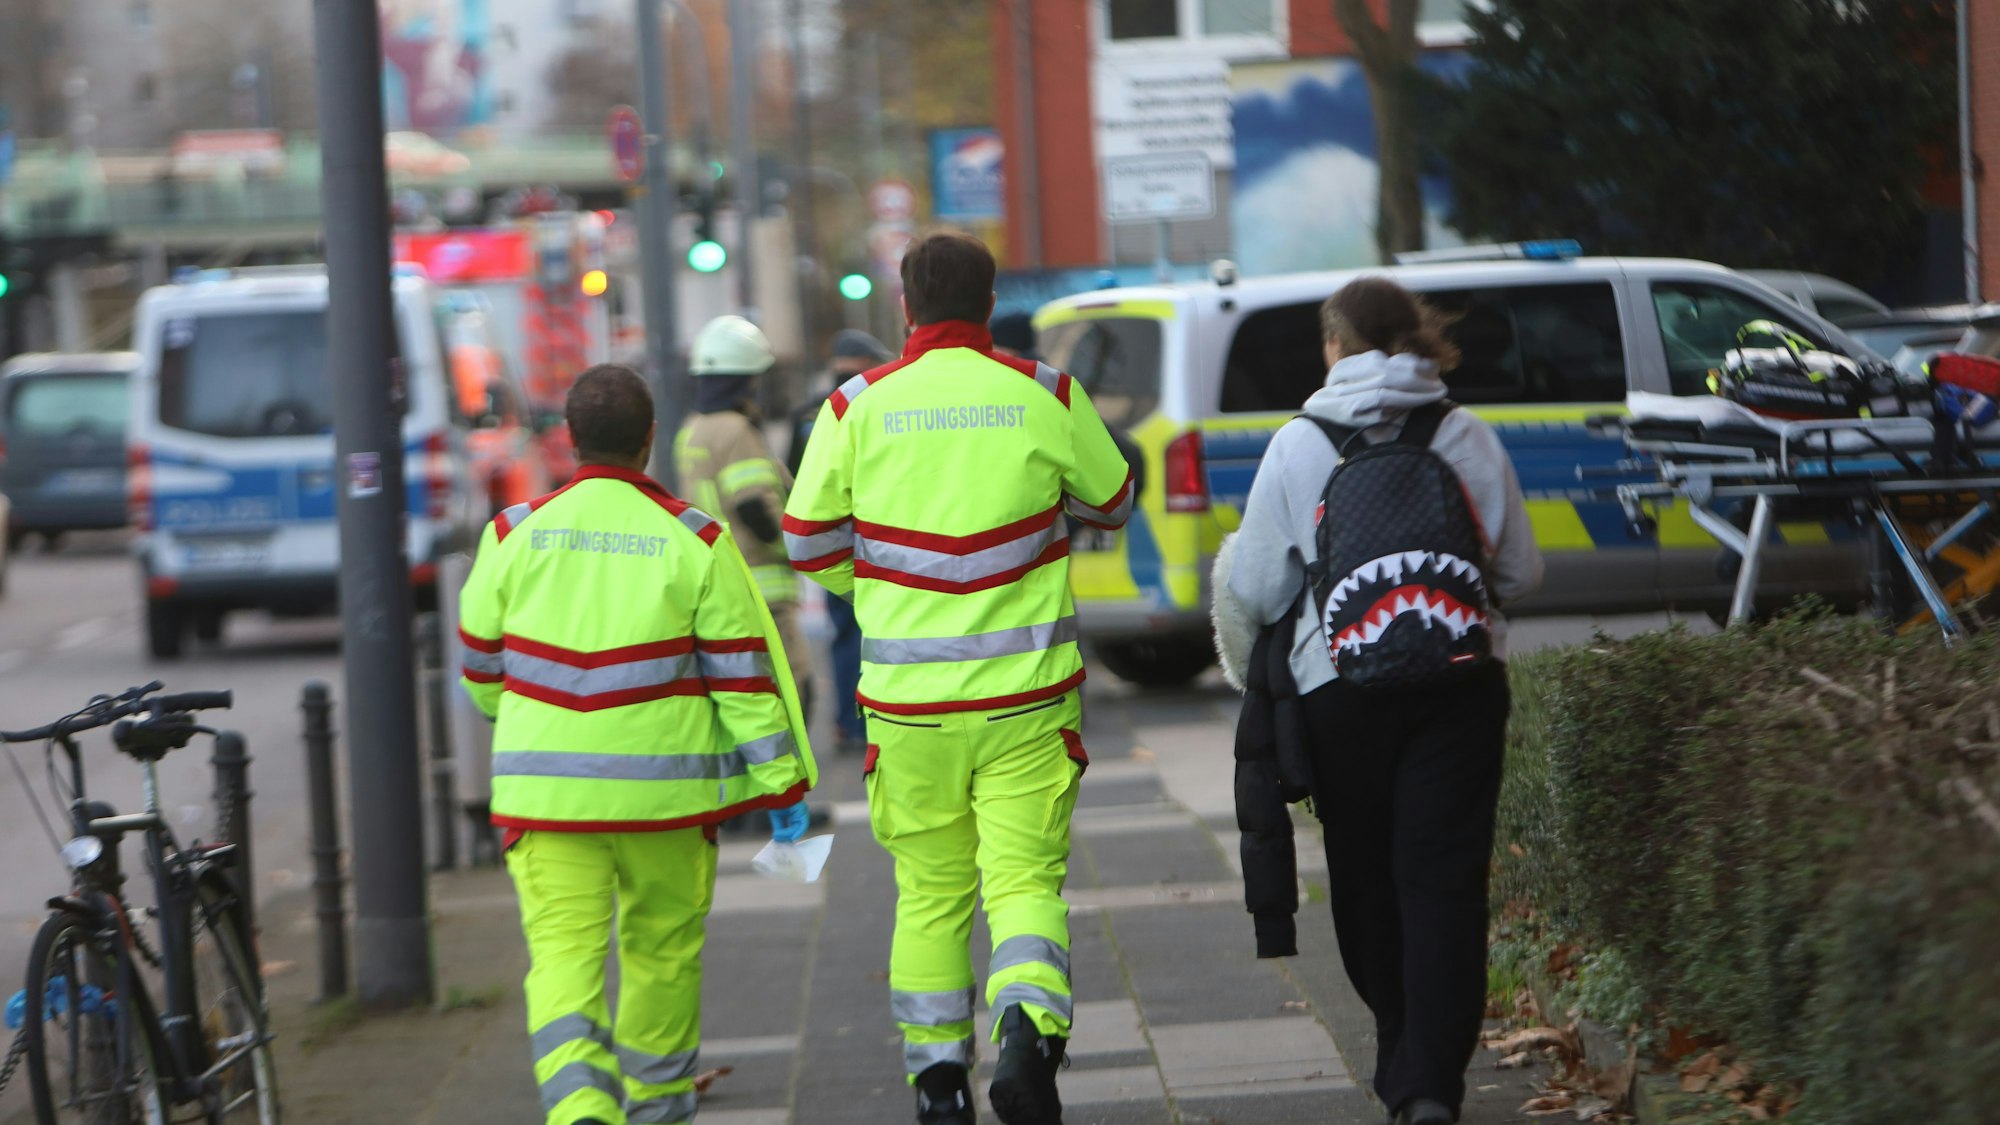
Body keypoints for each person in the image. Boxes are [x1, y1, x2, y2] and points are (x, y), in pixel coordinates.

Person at [784, 232, 1135, 1125]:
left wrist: (881, 587)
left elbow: (808, 540)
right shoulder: (1045, 393)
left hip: (907, 709)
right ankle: (1028, 1032)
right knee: (1023, 882)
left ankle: (939, 1083)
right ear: (987, 306)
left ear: (903, 307)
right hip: (1026, 700)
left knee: (932, 894)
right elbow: (1113, 500)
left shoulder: (854, 406)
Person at [1218, 278, 1541, 1125]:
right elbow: (1519, 574)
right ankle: (1429, 1079)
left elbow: (1255, 585)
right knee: (1443, 879)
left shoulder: (1298, 442)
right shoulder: (1463, 433)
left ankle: (1399, 1042)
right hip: (1460, 686)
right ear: (1413, 339)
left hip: (1338, 690)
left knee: (1365, 876)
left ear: (1336, 345)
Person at [459, 363, 818, 1125]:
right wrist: (783, 789)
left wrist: (537, 725)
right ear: (650, 440)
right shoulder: (697, 542)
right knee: (662, 952)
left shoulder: (510, 536)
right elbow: (744, 685)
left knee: (562, 960)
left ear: (569, 439)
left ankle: (582, 1102)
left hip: (547, 800)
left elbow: (481, 673)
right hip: (666, 801)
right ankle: (658, 1104)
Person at [677, 315, 816, 727]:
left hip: (718, 584)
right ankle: (792, 789)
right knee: (793, 691)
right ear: (747, 380)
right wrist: (798, 547)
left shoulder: (692, 430)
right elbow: (755, 508)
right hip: (763, 591)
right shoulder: (736, 431)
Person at [786, 329, 896, 754]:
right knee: (875, 628)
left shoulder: (804, 414)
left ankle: (845, 723)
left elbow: (796, 479)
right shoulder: (868, 405)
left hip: (828, 535)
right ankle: (871, 718)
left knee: (843, 629)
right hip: (872, 531)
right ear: (866, 365)